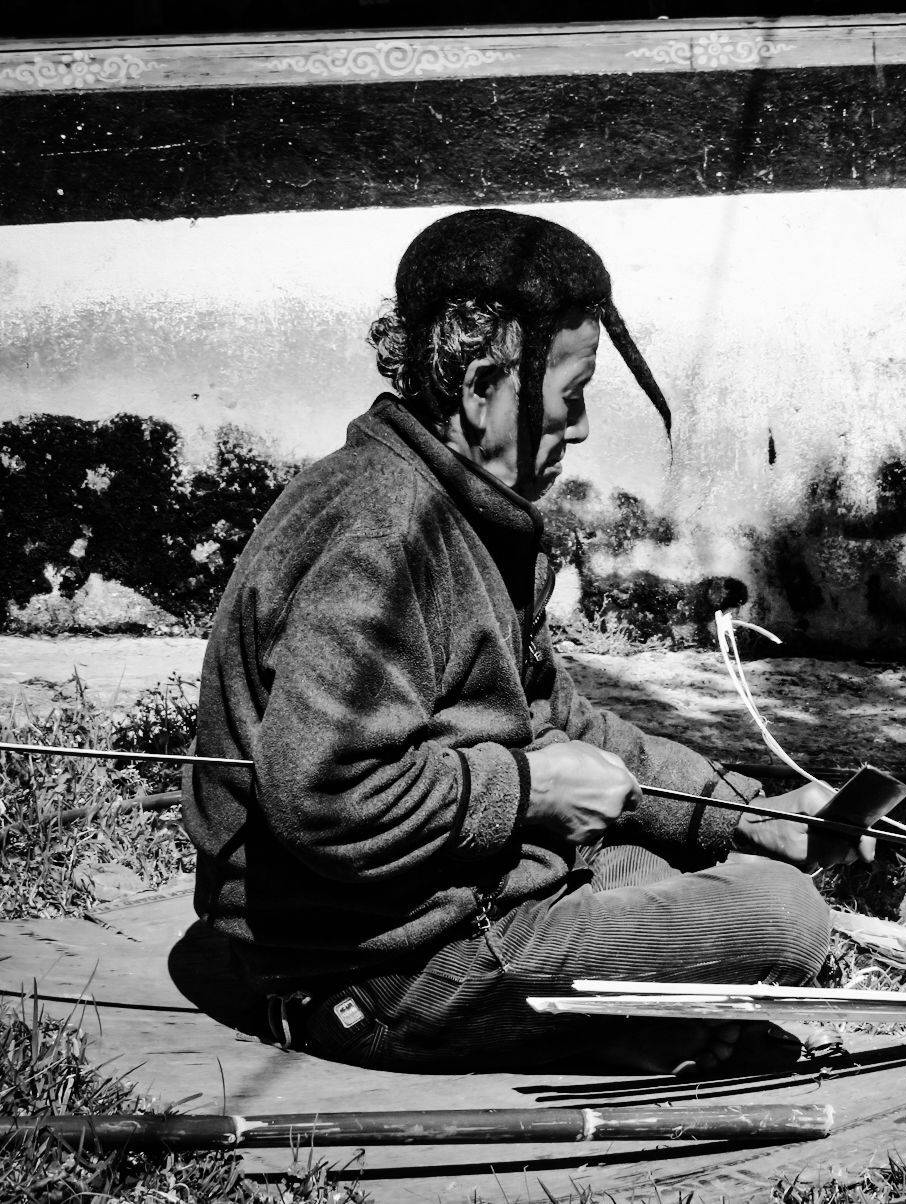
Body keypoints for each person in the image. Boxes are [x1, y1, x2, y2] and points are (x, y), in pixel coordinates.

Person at [183, 208, 870, 1076]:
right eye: (572, 394)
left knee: (674, 859)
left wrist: (744, 815)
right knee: (784, 919)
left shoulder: (472, 514)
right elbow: (324, 795)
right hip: (367, 965)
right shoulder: (381, 536)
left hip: (464, 897)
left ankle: (621, 1027)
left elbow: (557, 719)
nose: (580, 428)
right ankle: (591, 1030)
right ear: (483, 385)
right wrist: (530, 790)